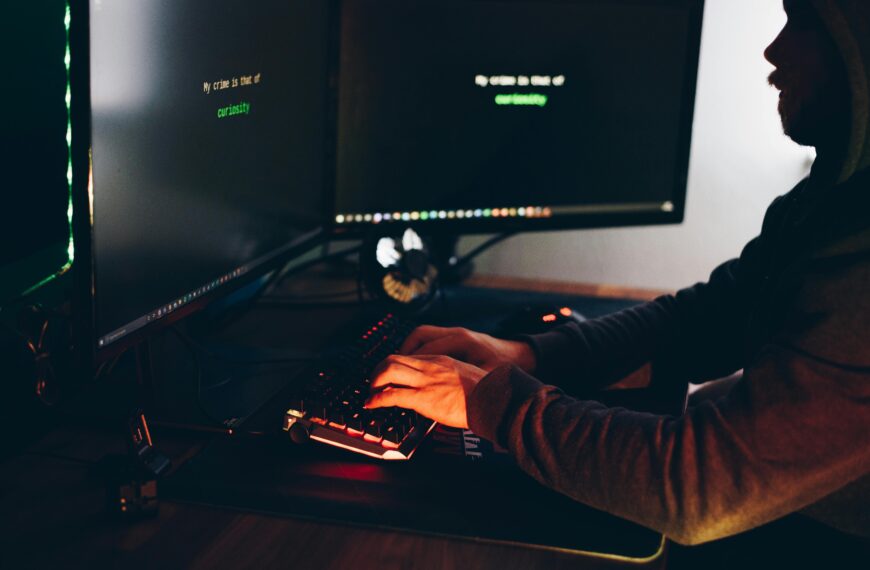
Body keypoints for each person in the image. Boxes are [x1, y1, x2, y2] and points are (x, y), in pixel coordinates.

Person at [365, 0, 870, 556]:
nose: (774, 50)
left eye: (806, 24)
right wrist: (523, 357)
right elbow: (705, 318)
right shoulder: (834, 200)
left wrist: (485, 400)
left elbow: (700, 489)